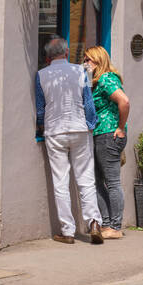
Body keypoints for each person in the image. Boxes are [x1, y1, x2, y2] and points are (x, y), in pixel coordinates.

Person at [35, 35, 104, 245]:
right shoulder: (80, 71)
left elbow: (40, 107)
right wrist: (91, 125)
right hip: (79, 128)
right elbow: (88, 103)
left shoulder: (41, 75)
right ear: (66, 53)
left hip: (55, 131)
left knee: (60, 181)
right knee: (86, 179)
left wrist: (41, 124)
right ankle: (93, 223)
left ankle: (67, 231)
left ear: (47, 56)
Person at [84, 45, 130, 240]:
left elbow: (124, 101)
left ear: (98, 61)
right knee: (96, 181)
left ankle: (115, 226)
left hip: (108, 134)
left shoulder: (105, 79)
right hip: (101, 134)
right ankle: (107, 223)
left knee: (112, 182)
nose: (85, 63)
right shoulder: (96, 81)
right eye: (84, 59)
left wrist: (120, 127)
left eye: (88, 60)